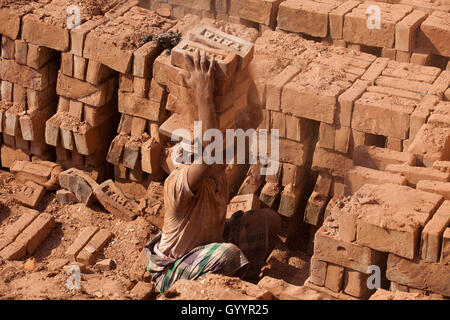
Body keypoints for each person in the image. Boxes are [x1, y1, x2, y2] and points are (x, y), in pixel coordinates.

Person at [145, 49, 281, 293]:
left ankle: (242, 278)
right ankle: (220, 290)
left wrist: (240, 72)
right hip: (174, 269)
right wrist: (203, 92)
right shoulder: (178, 184)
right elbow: (210, 154)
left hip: (209, 245)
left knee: (269, 221)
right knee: (228, 255)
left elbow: (253, 116)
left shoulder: (216, 168)